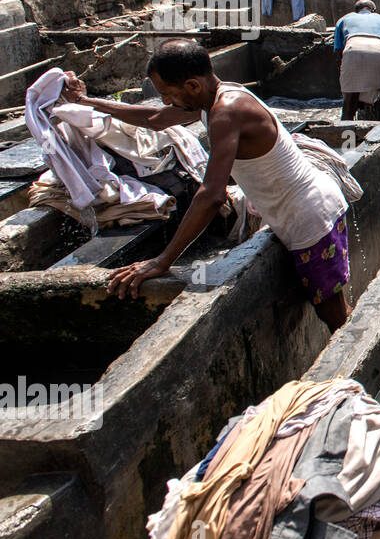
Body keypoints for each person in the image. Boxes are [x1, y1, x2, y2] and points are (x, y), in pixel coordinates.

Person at [63, 40, 354, 331]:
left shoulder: (225, 111)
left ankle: (354, 373)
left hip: (309, 216)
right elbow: (153, 119)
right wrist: (87, 103)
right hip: (304, 208)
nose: (166, 102)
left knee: (332, 312)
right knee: (331, 307)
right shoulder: (216, 96)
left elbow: (211, 195)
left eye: (168, 94)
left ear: (191, 86)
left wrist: (162, 261)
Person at [335, 0, 380, 123]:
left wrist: (345, 76)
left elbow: (338, 54)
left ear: (356, 11)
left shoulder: (343, 19)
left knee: (349, 105)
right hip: (379, 48)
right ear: (374, 11)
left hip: (352, 49)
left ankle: (347, 139)